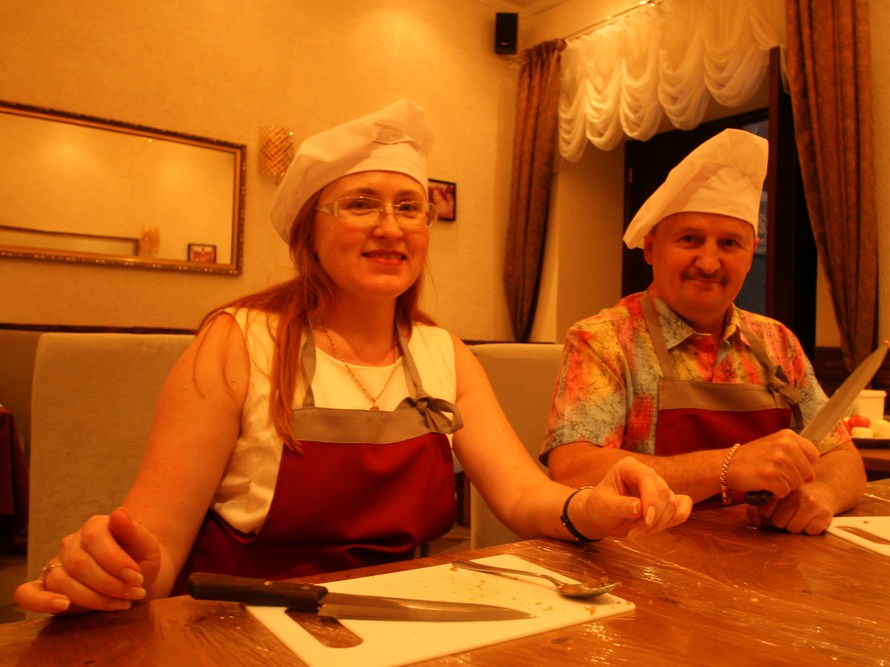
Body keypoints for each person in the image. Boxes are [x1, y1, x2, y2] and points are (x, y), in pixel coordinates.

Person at [15, 99, 691, 616]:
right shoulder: (238, 341)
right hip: (240, 624)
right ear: (309, 232)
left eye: (410, 207)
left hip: (401, 621)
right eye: (360, 204)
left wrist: (591, 507)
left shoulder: (444, 353)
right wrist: (114, 570)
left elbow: (522, 494)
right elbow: (157, 542)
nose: (390, 227)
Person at [540, 128, 866, 536]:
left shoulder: (777, 341)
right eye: (690, 239)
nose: (709, 263)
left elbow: (843, 458)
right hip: (639, 557)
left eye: (729, 243)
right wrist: (730, 466)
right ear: (651, 247)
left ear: (751, 251)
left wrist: (821, 495)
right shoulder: (603, 340)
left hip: (763, 559)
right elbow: (573, 470)